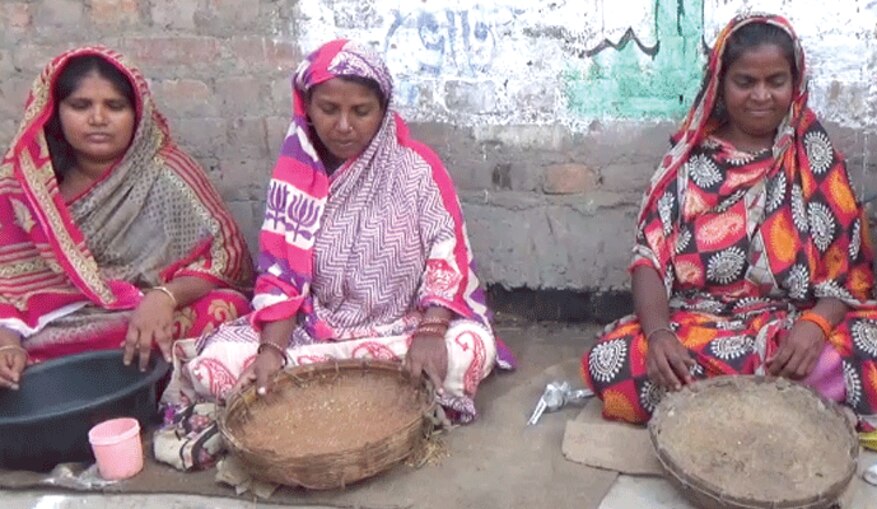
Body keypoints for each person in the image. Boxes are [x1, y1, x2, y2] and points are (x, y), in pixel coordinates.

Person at [160, 39, 514, 432]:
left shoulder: (418, 169)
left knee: (470, 348)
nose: (344, 126)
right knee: (217, 365)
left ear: (383, 109)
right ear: (308, 107)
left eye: (361, 111)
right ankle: (374, 390)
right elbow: (280, 279)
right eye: (329, 109)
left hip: (405, 328)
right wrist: (272, 350)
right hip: (316, 332)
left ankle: (322, 391)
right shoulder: (295, 177)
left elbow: (447, 255)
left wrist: (431, 332)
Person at [581, 14, 877, 428]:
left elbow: (849, 277)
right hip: (702, 326)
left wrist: (816, 325)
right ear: (720, 84)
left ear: (795, 82)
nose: (761, 96)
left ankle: (717, 411)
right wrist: (658, 335)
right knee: (611, 360)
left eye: (776, 82)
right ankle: (786, 409)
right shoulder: (687, 163)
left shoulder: (816, 159)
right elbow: (649, 260)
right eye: (745, 82)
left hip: (794, 327)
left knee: (876, 348)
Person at [0, 47, 253, 390]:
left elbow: (227, 258)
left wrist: (164, 297)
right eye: (80, 106)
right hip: (52, 330)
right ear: (54, 111)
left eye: (115, 106)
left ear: (138, 113)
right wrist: (7, 343)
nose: (98, 118)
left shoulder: (166, 173)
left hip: (144, 318)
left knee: (226, 308)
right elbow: (8, 286)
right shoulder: (27, 188)